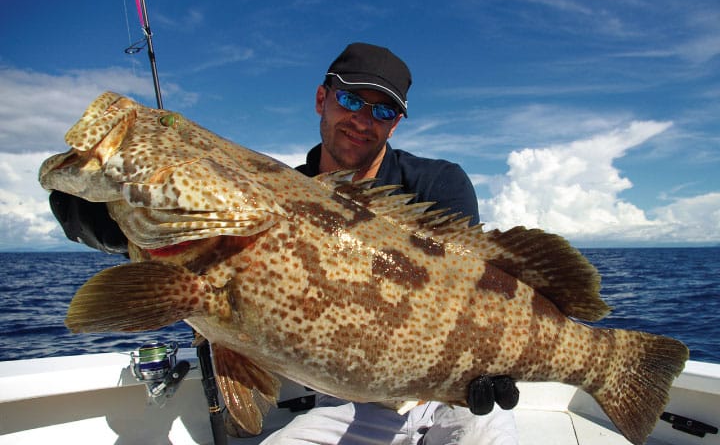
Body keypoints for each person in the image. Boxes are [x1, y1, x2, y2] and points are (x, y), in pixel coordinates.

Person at [48, 42, 519, 444]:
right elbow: (122, 235)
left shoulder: (438, 183)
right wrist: (113, 215)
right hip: (352, 399)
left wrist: (484, 368)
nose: (362, 119)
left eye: (382, 110)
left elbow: (472, 290)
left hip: (451, 386)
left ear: (394, 124)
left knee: (485, 428)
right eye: (351, 99)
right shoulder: (275, 190)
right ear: (322, 98)